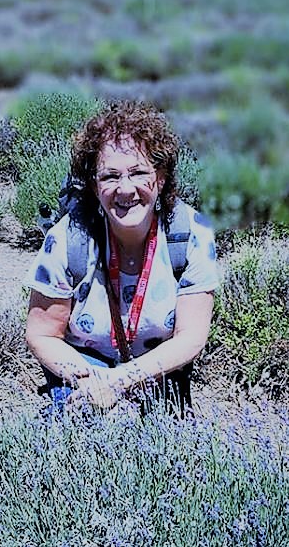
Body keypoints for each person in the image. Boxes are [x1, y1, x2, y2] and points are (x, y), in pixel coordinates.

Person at [25, 101, 219, 413]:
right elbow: (42, 334)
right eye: (110, 176)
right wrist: (95, 384)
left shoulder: (192, 234)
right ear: (93, 184)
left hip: (157, 367)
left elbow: (191, 337)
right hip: (85, 366)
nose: (125, 189)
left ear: (161, 177)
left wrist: (121, 382)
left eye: (138, 172)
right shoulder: (67, 239)